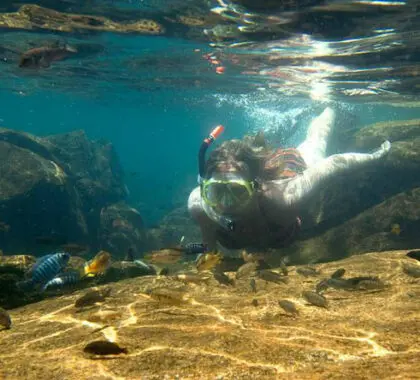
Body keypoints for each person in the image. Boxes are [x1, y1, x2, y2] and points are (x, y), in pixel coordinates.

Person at [188, 107, 391, 252]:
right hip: (263, 180)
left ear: (255, 187)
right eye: (216, 191)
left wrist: (375, 157)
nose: (226, 203)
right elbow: (209, 250)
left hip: (289, 170)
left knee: (317, 141)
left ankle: (328, 105)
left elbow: (333, 164)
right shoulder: (200, 205)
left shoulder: (286, 197)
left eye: (237, 191)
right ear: (205, 188)